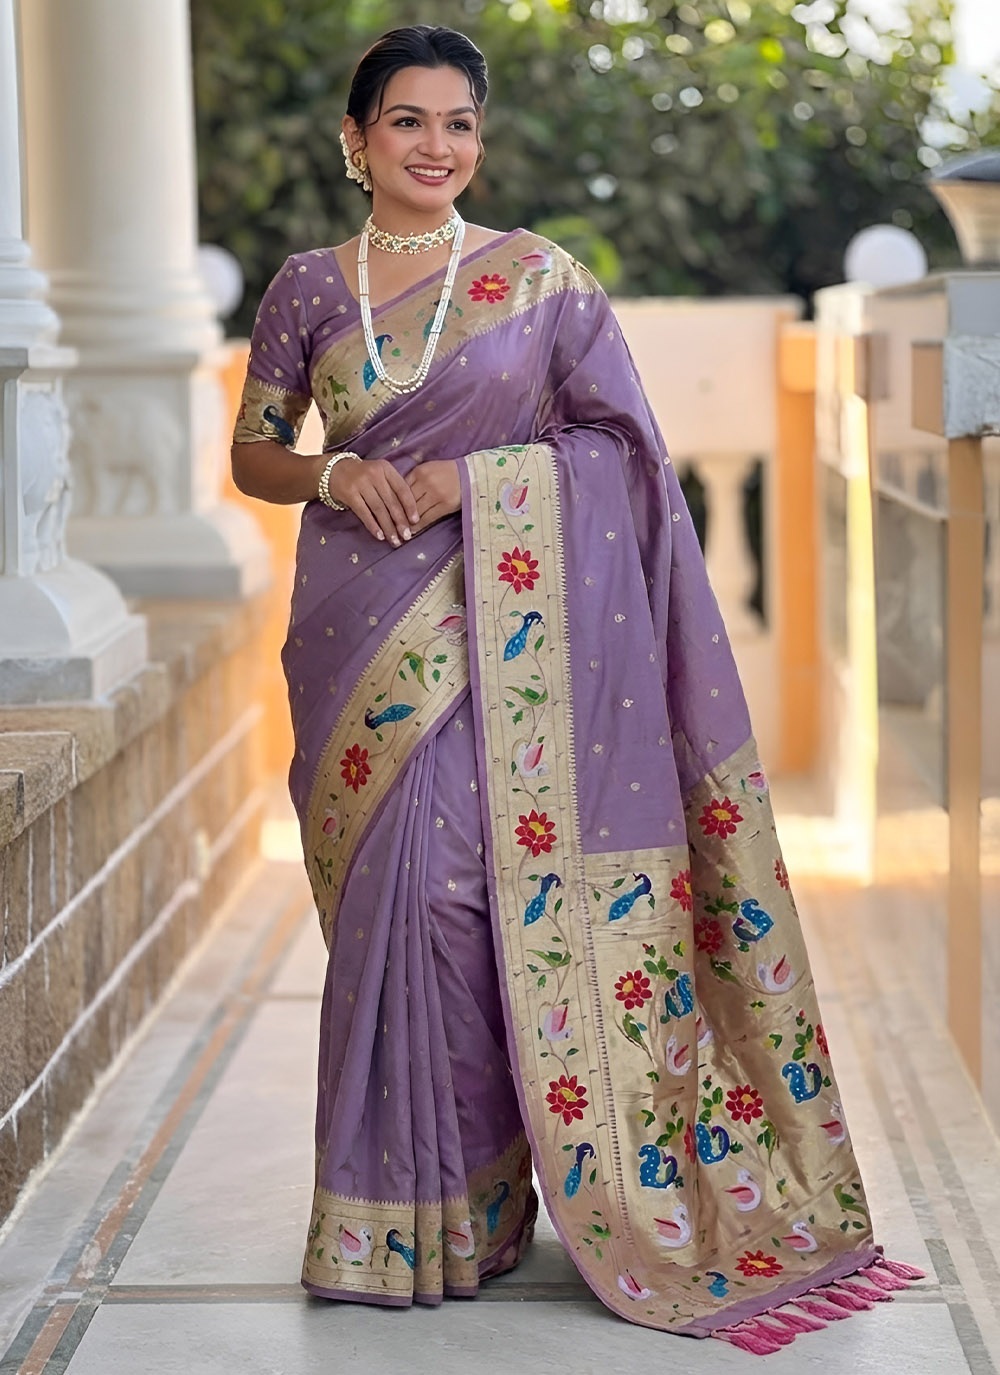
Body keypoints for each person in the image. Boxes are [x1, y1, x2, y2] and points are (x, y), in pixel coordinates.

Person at [230, 23, 920, 1353]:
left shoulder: (543, 282)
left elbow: (623, 451)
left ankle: (493, 1200)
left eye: (460, 123)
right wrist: (332, 471)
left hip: (514, 638)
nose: (438, 146)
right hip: (359, 636)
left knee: (471, 893)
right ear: (358, 140)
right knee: (395, 909)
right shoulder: (309, 287)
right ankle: (411, 1214)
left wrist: (472, 482)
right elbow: (256, 451)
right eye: (409, 121)